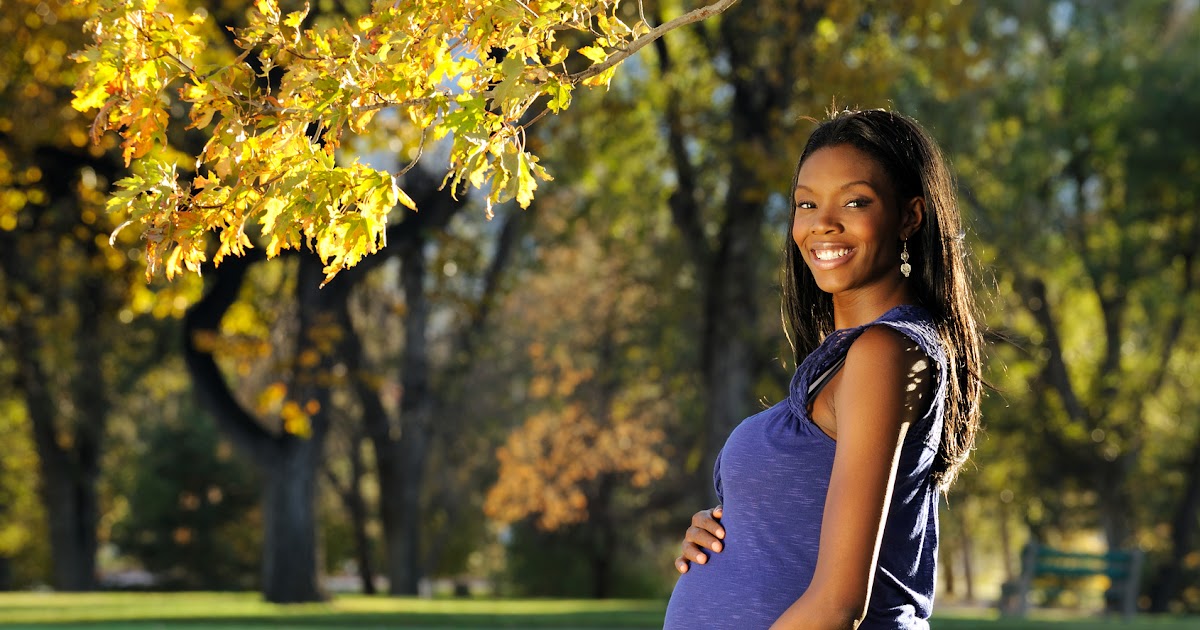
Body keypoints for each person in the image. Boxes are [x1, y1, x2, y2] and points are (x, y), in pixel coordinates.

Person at [662, 108, 984, 630]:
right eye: (806, 203)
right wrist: (736, 529)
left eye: (855, 201)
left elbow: (839, 606)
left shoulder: (887, 353)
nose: (823, 223)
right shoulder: (844, 361)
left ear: (909, 216)